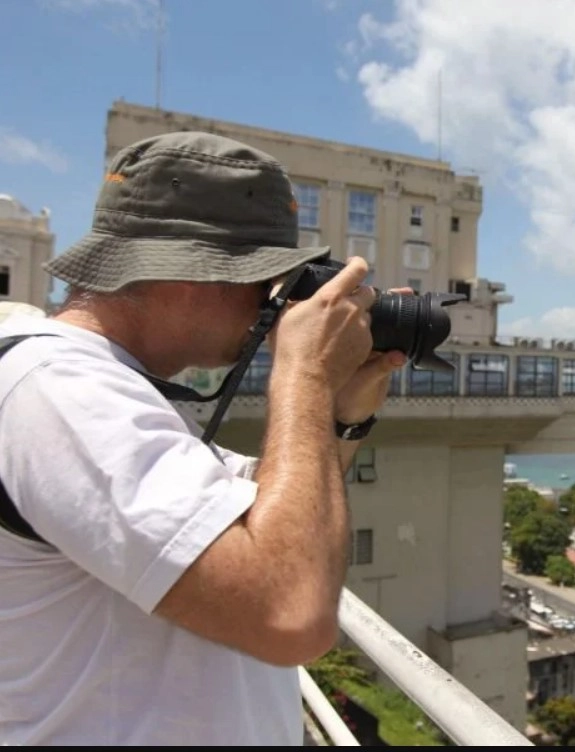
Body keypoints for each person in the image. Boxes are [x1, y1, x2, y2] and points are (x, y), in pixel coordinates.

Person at [0, 131, 408, 745]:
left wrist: (336, 416)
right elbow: (288, 613)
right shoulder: (63, 391)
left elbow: (268, 517)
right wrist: (304, 377)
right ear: (189, 273)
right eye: (264, 282)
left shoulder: (108, 389)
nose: (271, 308)